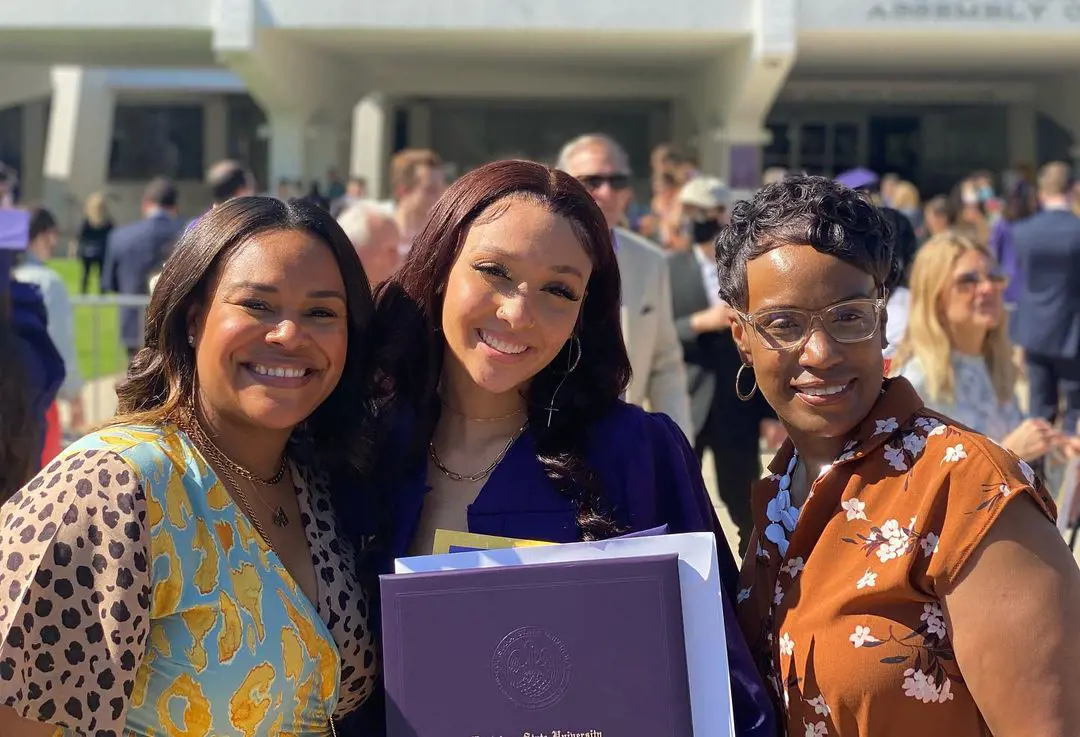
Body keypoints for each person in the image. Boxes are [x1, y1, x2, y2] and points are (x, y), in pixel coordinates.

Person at [372, 159, 774, 737]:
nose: (518, 313)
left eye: (559, 289)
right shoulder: (363, 453)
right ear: (439, 268)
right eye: (494, 271)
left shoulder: (636, 454)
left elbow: (725, 687)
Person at [0, 197, 383, 735]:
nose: (289, 335)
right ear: (192, 319)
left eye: (321, 312)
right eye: (257, 305)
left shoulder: (315, 481)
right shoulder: (108, 487)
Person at [722, 175, 1080, 736]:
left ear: (882, 320)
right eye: (784, 324)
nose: (819, 353)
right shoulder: (777, 491)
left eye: (848, 316)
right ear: (741, 337)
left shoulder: (971, 493)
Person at [667, 176, 780, 554]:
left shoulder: (745, 267)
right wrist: (699, 323)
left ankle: (751, 579)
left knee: (745, 505)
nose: (697, 219)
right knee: (678, 503)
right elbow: (657, 334)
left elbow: (765, 339)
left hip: (737, 405)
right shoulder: (668, 268)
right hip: (686, 403)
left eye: (706, 211)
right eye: (691, 211)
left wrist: (769, 411)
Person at [556, 133, 693, 438]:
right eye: (591, 180)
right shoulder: (537, 255)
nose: (605, 192)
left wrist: (678, 448)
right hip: (546, 439)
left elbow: (665, 363)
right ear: (563, 186)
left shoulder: (650, 262)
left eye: (616, 181)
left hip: (619, 442)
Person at [892, 232, 1069, 462]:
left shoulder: (996, 367)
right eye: (968, 281)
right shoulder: (915, 383)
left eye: (994, 277)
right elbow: (915, 489)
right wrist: (1006, 454)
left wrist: (1057, 450)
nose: (987, 288)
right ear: (936, 297)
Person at [1012, 161, 1080, 437]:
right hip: (1072, 329)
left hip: (1033, 327)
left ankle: (1033, 472)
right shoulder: (1076, 231)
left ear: (1040, 192)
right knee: (1075, 410)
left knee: (1038, 410)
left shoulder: (1022, 232)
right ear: (1073, 189)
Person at [12, 207, 86, 435]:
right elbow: (59, 342)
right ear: (43, 235)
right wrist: (73, 394)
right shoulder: (48, 283)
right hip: (35, 401)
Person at [103, 177, 185, 359]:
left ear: (146, 204)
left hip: (133, 327)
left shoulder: (120, 236)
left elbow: (110, 282)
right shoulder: (188, 235)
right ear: (174, 207)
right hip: (175, 327)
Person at [75, 191, 114, 294]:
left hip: (89, 251)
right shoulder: (107, 222)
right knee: (100, 274)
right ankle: (101, 293)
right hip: (101, 250)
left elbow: (80, 236)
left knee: (86, 274)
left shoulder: (87, 222)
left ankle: (84, 292)